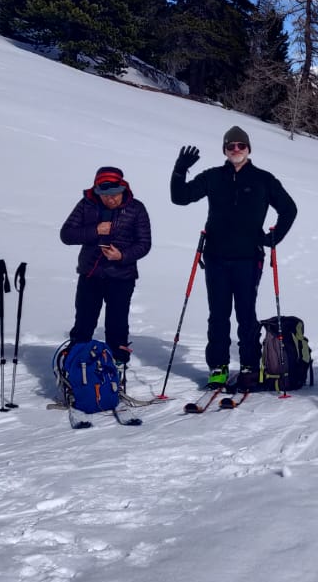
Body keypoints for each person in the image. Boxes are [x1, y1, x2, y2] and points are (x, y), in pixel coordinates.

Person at [170, 126, 298, 392]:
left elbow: (288, 209)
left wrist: (275, 238)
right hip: (216, 256)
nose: (236, 150)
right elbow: (180, 198)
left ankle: (250, 366)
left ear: (249, 149)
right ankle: (218, 367)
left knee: (246, 314)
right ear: (225, 150)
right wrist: (180, 170)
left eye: (241, 146)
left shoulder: (263, 179)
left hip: (248, 258)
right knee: (218, 314)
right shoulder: (213, 177)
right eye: (231, 146)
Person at [59, 166, 153, 365]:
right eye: (105, 196)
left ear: (122, 189)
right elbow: (66, 234)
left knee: (117, 325)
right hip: (90, 274)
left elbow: (144, 243)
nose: (111, 199)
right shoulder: (86, 205)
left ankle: (116, 371)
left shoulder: (136, 208)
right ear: (97, 192)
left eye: (115, 195)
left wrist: (122, 255)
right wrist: (95, 230)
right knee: (84, 323)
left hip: (122, 276)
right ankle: (76, 369)